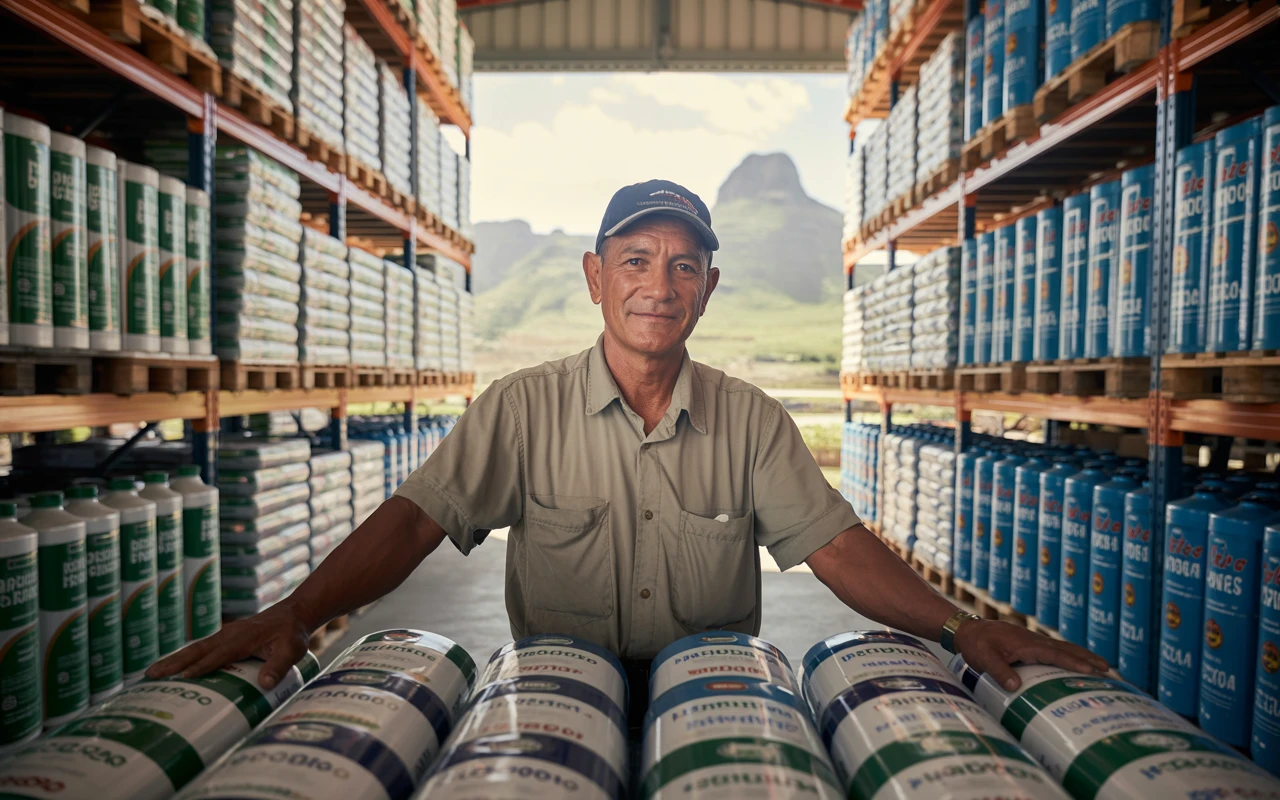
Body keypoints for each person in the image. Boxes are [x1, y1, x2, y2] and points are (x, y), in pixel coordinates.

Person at [150, 179, 1107, 718]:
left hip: (716, 704)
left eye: (683, 265)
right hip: (561, 703)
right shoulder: (521, 410)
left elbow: (836, 546)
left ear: (709, 286)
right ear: (595, 277)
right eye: (637, 261)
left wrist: (953, 629)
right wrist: (299, 610)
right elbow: (418, 518)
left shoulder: (751, 419)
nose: (660, 284)